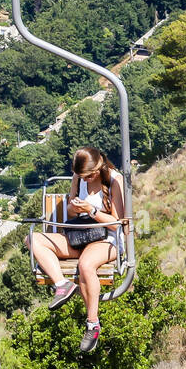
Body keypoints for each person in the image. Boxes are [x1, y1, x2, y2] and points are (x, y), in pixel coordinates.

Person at [27, 146, 126, 354]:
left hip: (106, 239)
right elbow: (70, 209)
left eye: (88, 177)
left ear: (97, 170)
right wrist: (75, 207)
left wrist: (91, 210)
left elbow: (116, 223)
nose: (86, 181)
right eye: (83, 177)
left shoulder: (114, 181)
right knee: (33, 239)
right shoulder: (78, 178)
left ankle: (92, 324)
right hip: (80, 235)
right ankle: (62, 284)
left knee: (86, 265)